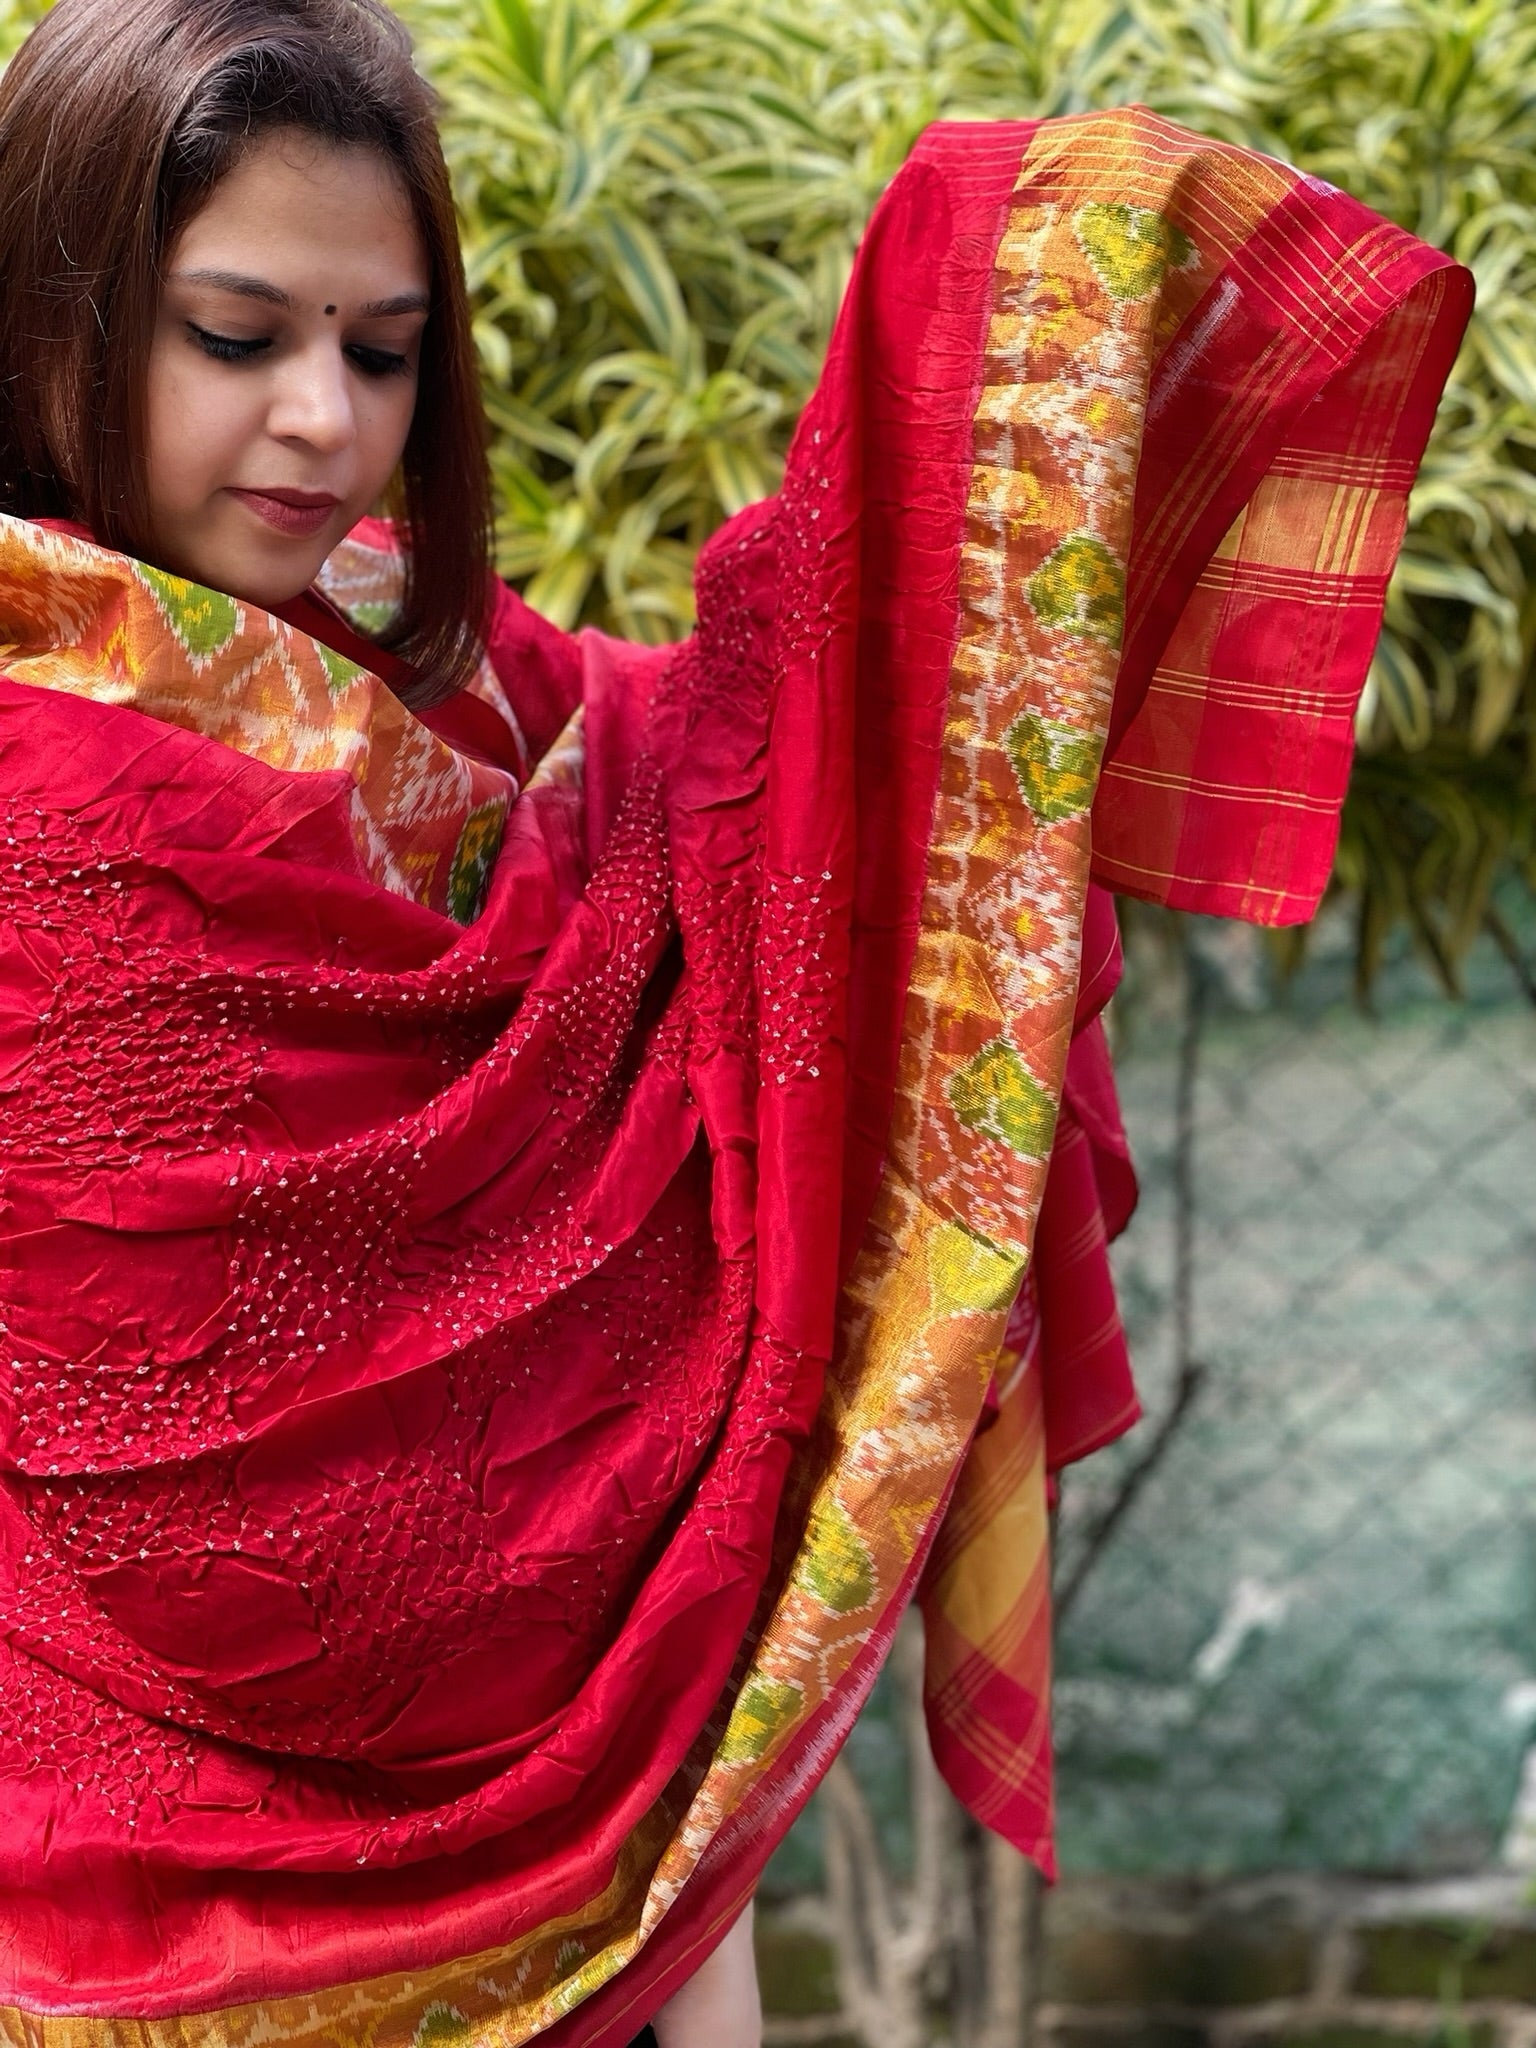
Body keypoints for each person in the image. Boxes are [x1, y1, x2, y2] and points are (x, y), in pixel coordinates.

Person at [0, 0, 1469, 2043]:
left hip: (624, 1832)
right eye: (234, 338)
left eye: (384, 348)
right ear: (51, 311)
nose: (325, 421)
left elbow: (747, 788)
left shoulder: (442, 677)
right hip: (89, 1907)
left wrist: (978, 445)